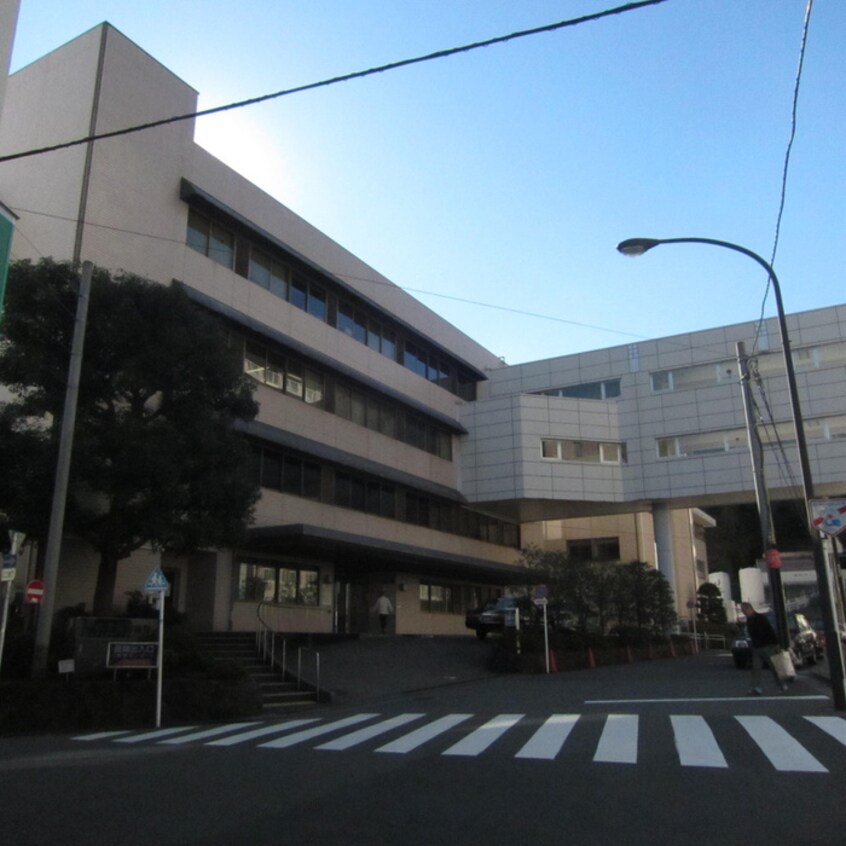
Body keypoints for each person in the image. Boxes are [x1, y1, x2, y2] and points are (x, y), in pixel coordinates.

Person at [741, 601, 786, 694]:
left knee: (774, 666)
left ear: (749, 609)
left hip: (767, 645)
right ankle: (755, 687)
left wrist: (775, 643)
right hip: (757, 647)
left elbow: (769, 630)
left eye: (744, 610)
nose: (743, 612)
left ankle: (782, 684)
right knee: (756, 667)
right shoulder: (749, 620)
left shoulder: (760, 618)